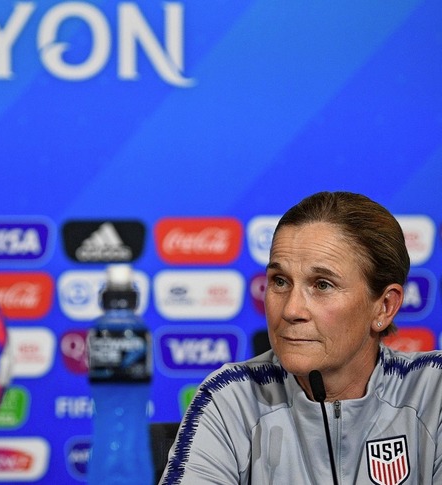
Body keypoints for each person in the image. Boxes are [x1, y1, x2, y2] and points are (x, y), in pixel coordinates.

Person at [160, 191, 442, 484]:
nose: (292, 310)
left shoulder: (434, 393)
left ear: (384, 306)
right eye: (280, 282)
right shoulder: (231, 398)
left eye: (322, 285)